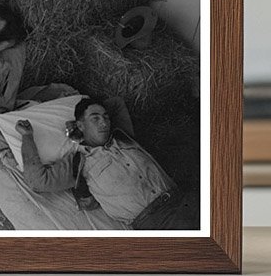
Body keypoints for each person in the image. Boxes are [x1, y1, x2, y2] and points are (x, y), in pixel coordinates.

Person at [16, 95, 174, 226]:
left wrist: (87, 117)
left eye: (106, 117)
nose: (104, 123)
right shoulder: (78, 161)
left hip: (180, 199)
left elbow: (117, 102)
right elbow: (38, 181)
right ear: (80, 125)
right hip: (155, 222)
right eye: (95, 118)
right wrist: (27, 136)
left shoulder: (122, 135)